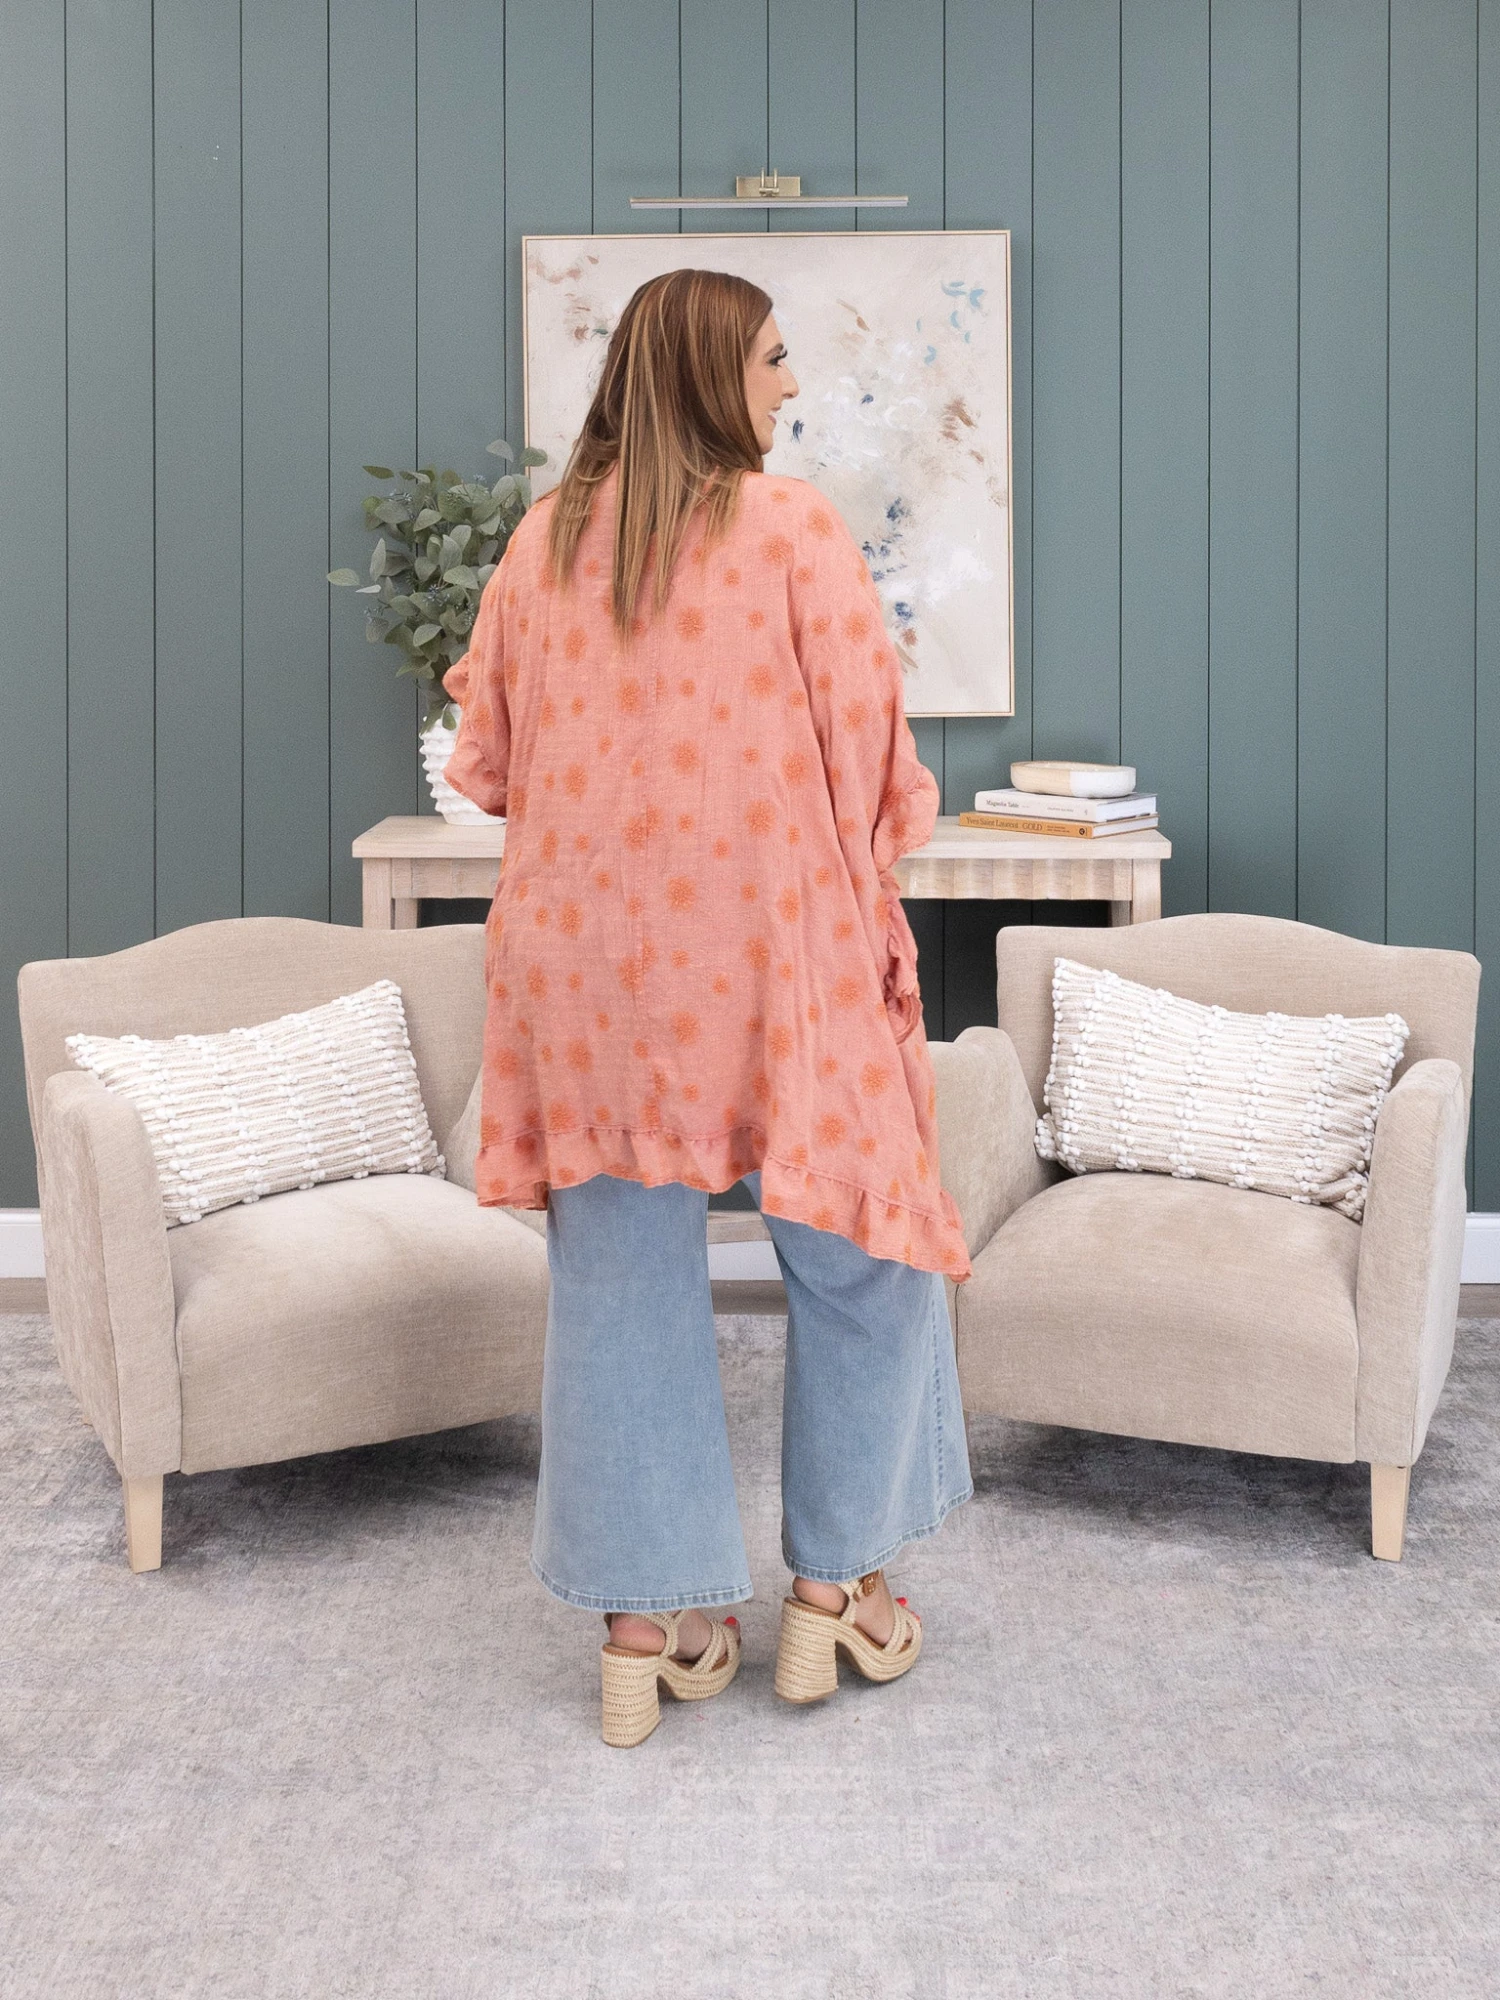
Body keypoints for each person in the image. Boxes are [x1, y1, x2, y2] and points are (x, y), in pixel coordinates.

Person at [443, 267, 972, 1747]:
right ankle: (838, 1590)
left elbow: (489, 765)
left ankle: (648, 1625)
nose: (790, 385)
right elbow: (872, 763)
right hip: (765, 957)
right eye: (773, 359)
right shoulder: (792, 532)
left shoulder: (543, 540)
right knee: (867, 1251)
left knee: (620, 1279)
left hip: (583, 975)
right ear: (707, 373)